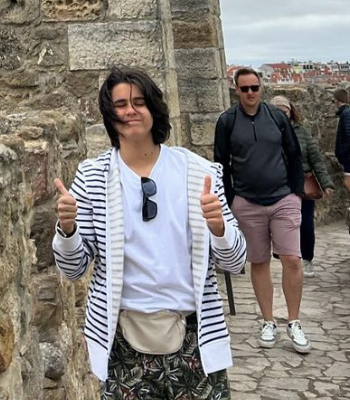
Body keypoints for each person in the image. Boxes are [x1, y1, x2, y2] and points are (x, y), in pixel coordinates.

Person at [52, 67, 246, 400]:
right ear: (109, 115)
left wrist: (219, 228)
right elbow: (72, 269)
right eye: (121, 104)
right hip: (122, 343)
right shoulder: (92, 177)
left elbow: (236, 260)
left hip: (194, 339)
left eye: (139, 102)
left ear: (154, 109)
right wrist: (68, 230)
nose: (130, 111)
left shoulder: (198, 171)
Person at [213, 67, 307, 353]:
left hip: (282, 198)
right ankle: (268, 321)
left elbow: (293, 154)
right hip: (248, 201)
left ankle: (293, 320)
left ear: (261, 88)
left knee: (292, 259)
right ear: (237, 90)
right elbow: (221, 163)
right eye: (245, 89)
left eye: (254, 87)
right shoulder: (227, 122)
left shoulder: (277, 118)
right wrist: (231, 200)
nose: (250, 93)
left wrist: (296, 192)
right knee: (259, 262)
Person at [269, 95, 334, 277]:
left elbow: (316, 159)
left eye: (285, 110)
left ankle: (306, 259)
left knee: (305, 225)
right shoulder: (266, 132)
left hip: (302, 186)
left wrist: (326, 183)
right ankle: (287, 257)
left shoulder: (302, 132)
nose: (282, 114)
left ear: (291, 112)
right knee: (282, 225)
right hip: (279, 187)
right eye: (278, 111)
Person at [334, 88, 350, 191]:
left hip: (348, 156)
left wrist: (343, 152)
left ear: (336, 100)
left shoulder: (346, 113)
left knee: (347, 181)